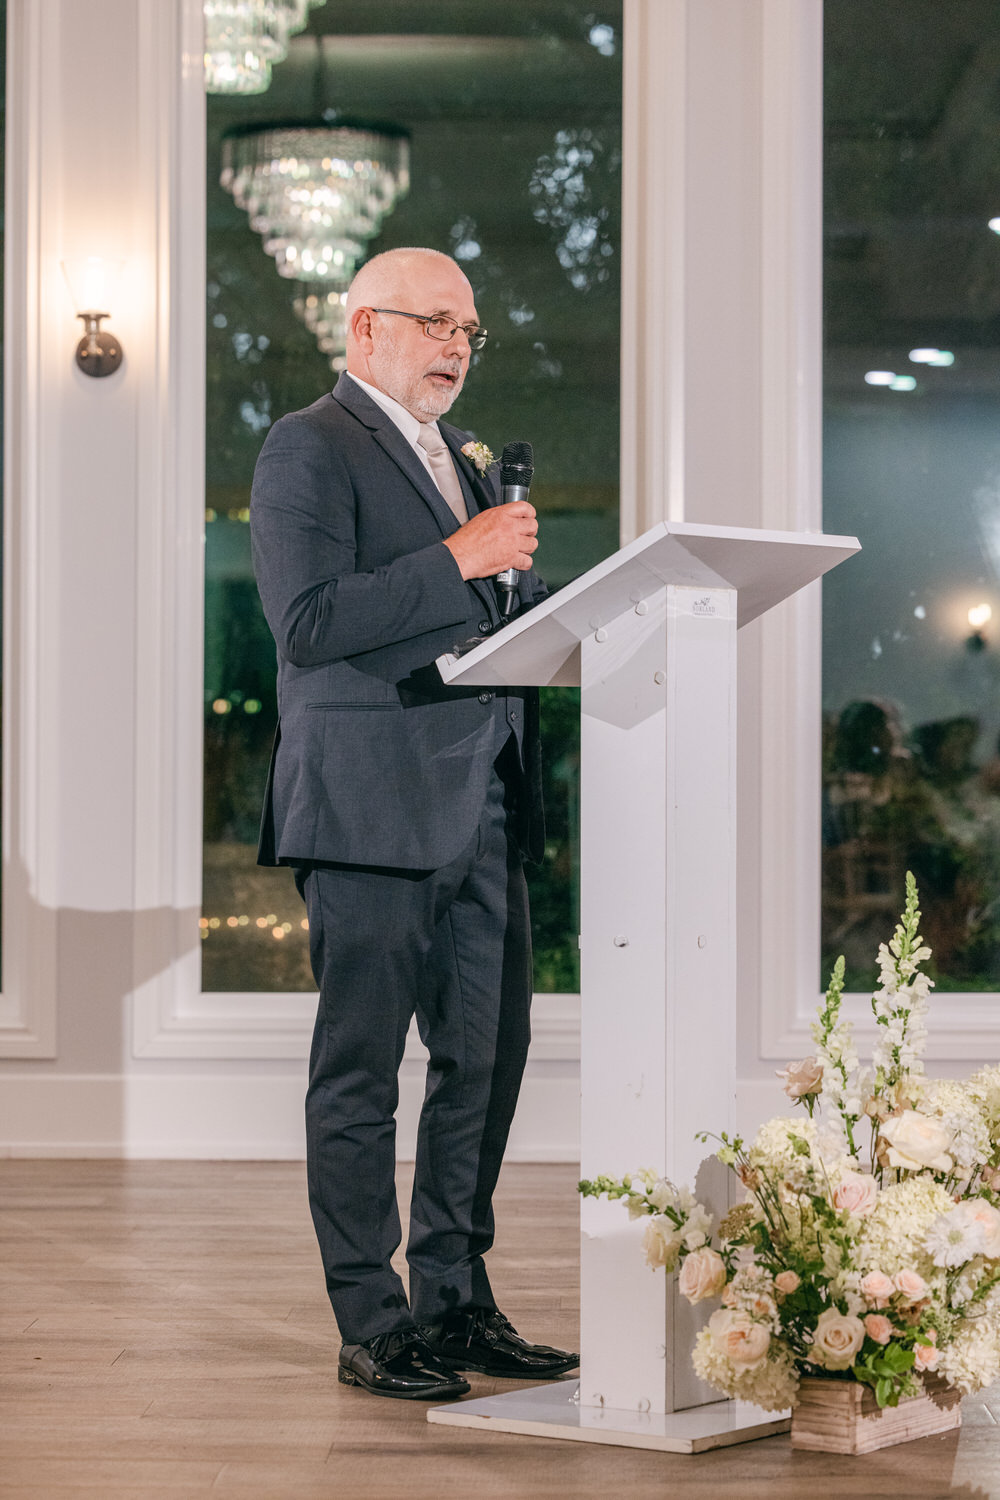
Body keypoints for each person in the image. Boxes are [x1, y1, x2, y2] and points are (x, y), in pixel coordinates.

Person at [250, 247, 579, 1400]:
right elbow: (305, 619)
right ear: (363, 330)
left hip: (485, 794)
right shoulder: (310, 442)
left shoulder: (467, 462)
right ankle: (373, 1322)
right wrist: (459, 557)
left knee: (486, 1061)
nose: (455, 347)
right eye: (435, 324)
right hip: (367, 803)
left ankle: (455, 1299)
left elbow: (486, 618)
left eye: (468, 332)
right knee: (361, 1074)